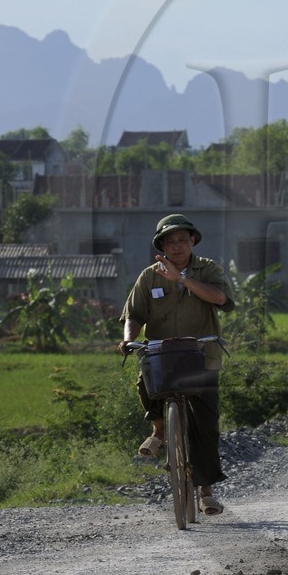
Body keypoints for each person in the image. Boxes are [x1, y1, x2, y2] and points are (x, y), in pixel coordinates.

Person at [118, 214, 236, 516]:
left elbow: (220, 298)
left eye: (182, 239)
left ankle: (206, 492)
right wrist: (128, 339)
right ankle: (160, 430)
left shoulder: (208, 269)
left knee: (206, 426)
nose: (177, 245)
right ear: (162, 246)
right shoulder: (149, 276)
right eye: (170, 241)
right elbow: (134, 313)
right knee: (145, 384)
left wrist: (181, 279)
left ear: (192, 241)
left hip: (201, 354)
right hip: (161, 355)